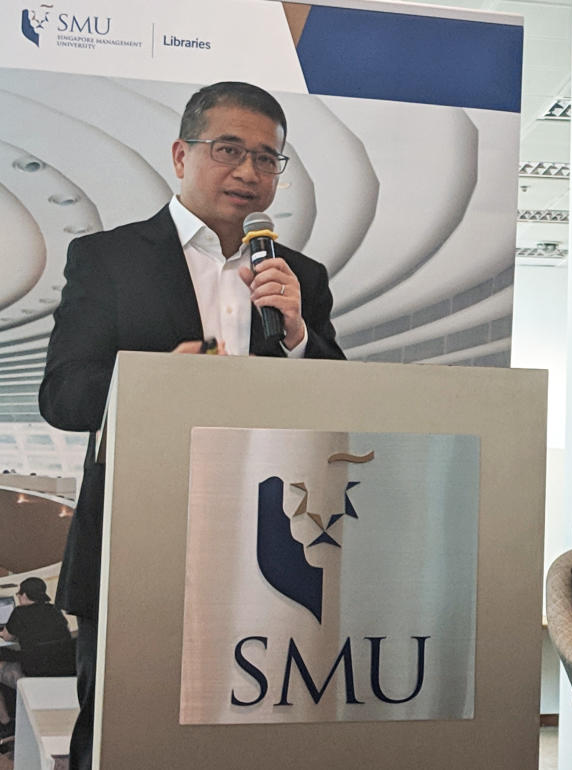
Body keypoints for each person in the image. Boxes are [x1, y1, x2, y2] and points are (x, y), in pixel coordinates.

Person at [39, 81, 347, 770]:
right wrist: (151, 380)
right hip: (138, 546)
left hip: (270, 551)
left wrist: (298, 335)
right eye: (228, 149)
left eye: (267, 158)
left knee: (254, 739)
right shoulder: (109, 259)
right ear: (182, 154)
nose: (248, 171)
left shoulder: (302, 276)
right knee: (123, 737)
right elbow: (62, 394)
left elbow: (342, 407)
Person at [0, 578, 74, 742]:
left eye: (19, 594)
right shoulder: (54, 610)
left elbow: (6, 635)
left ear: (24, 595)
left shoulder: (19, 612)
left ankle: (5, 723)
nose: (18, 597)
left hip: (34, 674)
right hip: (64, 673)